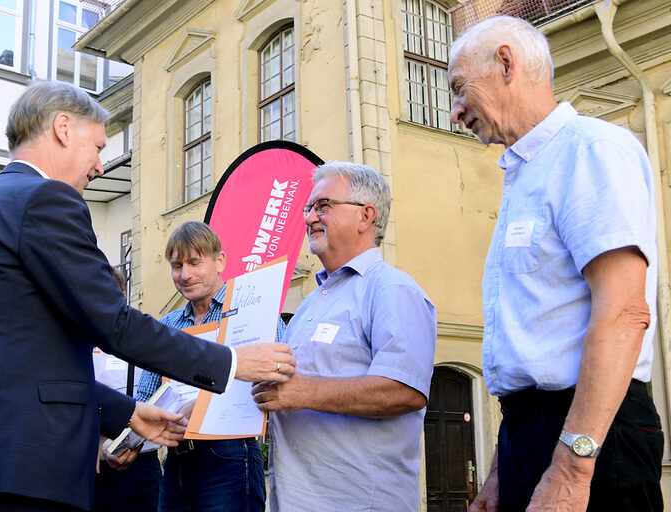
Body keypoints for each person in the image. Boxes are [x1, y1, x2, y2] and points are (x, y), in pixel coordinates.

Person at [0, 80, 295, 512]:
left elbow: (27, 356)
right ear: (63, 128)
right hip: (15, 467)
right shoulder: (44, 198)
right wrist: (232, 362)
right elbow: (114, 322)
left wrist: (127, 413)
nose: (100, 164)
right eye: (97, 145)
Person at [448, 15, 662, 512]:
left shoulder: (591, 151)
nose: (456, 110)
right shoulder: (525, 175)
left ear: (506, 63)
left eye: (460, 89)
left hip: (592, 438)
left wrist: (571, 468)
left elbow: (625, 313)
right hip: (534, 433)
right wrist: (502, 471)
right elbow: (533, 345)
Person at [252, 161, 437, 511]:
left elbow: (405, 390)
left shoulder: (392, 289)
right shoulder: (309, 304)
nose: (309, 218)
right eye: (308, 208)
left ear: (366, 216)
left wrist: (302, 392)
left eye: (323, 206)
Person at [136, 221, 284, 512]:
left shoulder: (252, 308)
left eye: (194, 262)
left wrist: (204, 408)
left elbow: (280, 375)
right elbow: (147, 395)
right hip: (176, 458)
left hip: (230, 456)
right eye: (177, 266)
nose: (185, 274)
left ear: (220, 261)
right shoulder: (168, 326)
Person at [93, 268, 160, 512]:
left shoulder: (144, 343)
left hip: (138, 470)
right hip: (89, 472)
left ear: (122, 296)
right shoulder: (75, 345)